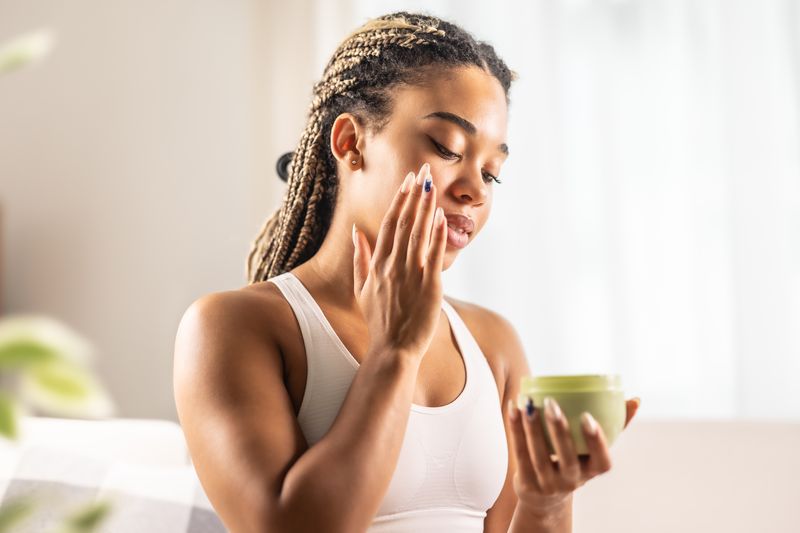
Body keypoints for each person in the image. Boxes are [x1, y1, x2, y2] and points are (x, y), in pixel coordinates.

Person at [173, 11, 640, 533]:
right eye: (447, 148)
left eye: (492, 173)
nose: (475, 190)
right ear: (350, 142)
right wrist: (396, 350)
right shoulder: (232, 327)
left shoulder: (493, 344)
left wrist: (549, 503)